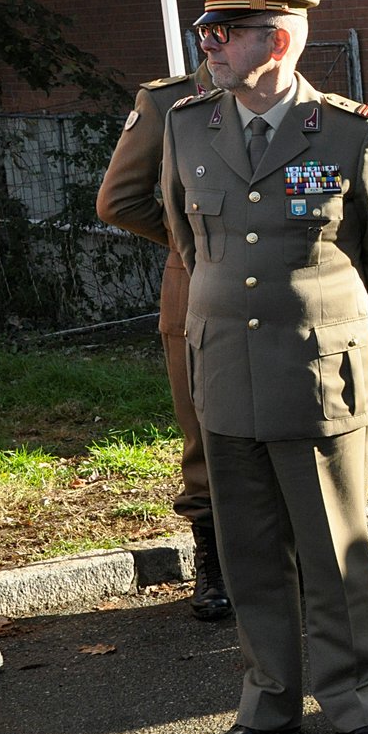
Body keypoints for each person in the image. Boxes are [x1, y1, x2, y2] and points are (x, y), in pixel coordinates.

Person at [163, 0, 368, 734]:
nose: (207, 42)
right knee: (247, 549)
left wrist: (335, 333)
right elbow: (187, 237)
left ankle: (353, 703)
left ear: (274, 43)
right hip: (225, 370)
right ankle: (268, 700)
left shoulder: (351, 130)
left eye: (222, 30)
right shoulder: (187, 124)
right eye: (206, 28)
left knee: (333, 549)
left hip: (317, 375)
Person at [97, 62, 231, 623]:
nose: (217, 39)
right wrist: (191, 236)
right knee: (205, 433)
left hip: (279, 291)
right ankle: (215, 562)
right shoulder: (168, 103)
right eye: (214, 26)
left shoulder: (303, 102)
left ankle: (282, 557)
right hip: (195, 288)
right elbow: (118, 201)